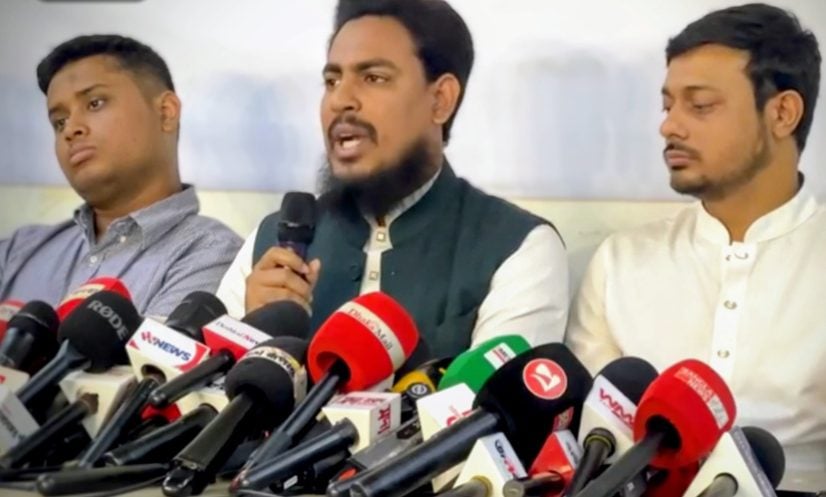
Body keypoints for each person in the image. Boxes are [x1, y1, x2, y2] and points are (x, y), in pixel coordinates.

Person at [218, 0, 569, 357]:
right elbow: (202, 386)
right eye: (332, 81)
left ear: (441, 100)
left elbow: (491, 393)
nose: (340, 100)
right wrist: (252, 331)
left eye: (374, 78)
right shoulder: (269, 245)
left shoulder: (517, 249)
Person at [565, 3, 824, 475]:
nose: (669, 126)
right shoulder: (622, 261)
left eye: (700, 105)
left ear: (782, 113)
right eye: (668, 106)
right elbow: (594, 446)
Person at [0, 35, 242, 317]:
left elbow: (151, 349)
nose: (71, 130)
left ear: (166, 113)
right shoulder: (18, 250)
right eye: (59, 122)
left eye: (95, 103)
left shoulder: (212, 254)